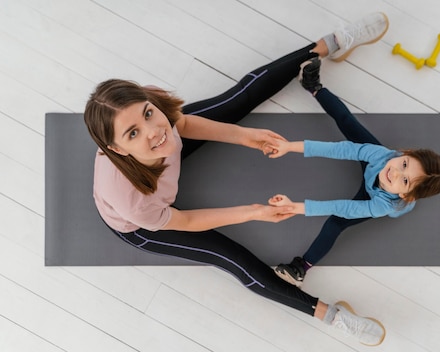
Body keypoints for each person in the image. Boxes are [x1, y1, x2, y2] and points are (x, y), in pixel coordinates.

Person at [84, 12, 390, 346]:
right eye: (133, 133)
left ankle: (328, 45)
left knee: (237, 98)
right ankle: (331, 315)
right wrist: (255, 211)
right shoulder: (134, 202)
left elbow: (181, 126)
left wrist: (245, 136)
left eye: (148, 114)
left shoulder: (150, 107)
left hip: (162, 170)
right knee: (228, 257)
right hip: (149, 221)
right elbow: (184, 219)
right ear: (117, 148)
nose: (154, 130)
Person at [268, 57, 440, 286]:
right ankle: (313, 86)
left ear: (405, 194)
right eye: (404, 165)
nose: (395, 173)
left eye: (404, 181)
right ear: (404, 153)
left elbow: (343, 207)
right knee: (348, 123)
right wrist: (289, 146)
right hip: (374, 169)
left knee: (336, 223)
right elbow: (341, 150)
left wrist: (296, 207)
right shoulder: (384, 157)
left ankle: (301, 269)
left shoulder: (385, 205)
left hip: (374, 195)